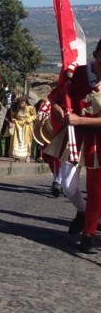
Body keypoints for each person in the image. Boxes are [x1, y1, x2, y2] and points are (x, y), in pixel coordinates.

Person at [54, 38, 101, 253]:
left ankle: (89, 234)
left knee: (96, 189)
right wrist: (63, 114)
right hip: (75, 137)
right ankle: (82, 213)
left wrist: (80, 120)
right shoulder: (76, 74)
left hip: (98, 140)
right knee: (68, 185)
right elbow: (55, 100)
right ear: (95, 55)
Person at [7, 95, 36, 162]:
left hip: (27, 126)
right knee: (17, 141)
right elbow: (13, 116)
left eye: (23, 103)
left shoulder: (30, 108)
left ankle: (27, 156)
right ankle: (17, 157)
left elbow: (34, 115)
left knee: (27, 141)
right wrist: (14, 121)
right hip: (18, 126)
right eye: (20, 103)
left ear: (25, 102)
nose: (21, 104)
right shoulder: (16, 109)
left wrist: (30, 119)